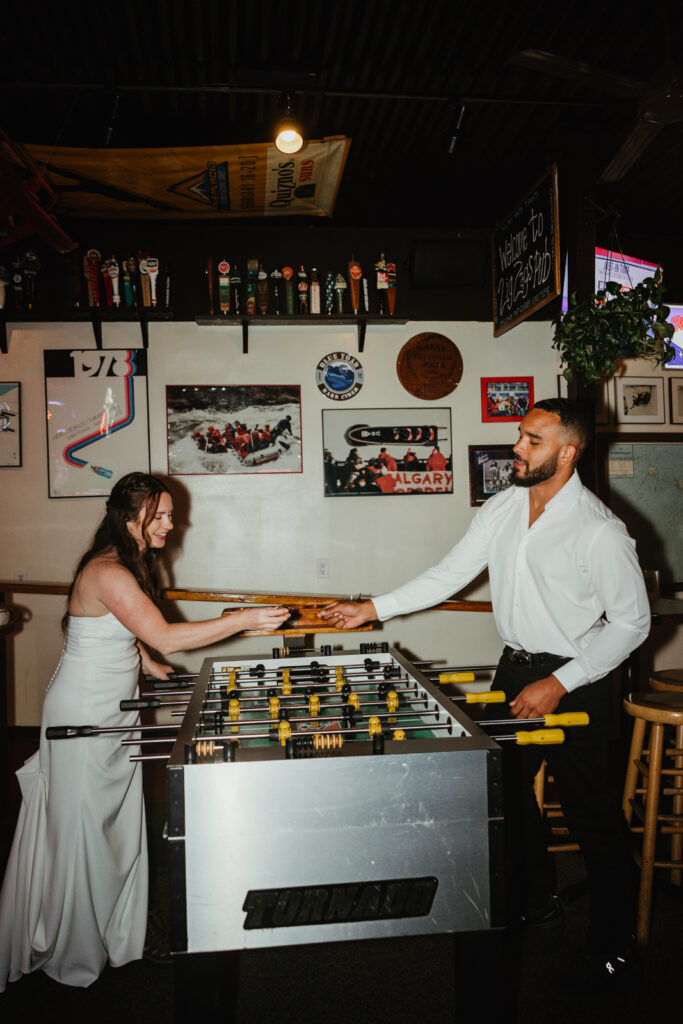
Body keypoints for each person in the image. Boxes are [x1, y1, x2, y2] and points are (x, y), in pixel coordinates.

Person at [320, 399, 650, 984]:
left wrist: (560, 682)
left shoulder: (599, 530)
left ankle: (613, 943)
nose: (517, 447)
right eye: (520, 435)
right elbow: (450, 573)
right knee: (502, 797)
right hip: (516, 671)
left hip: (577, 679)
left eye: (532, 440)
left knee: (591, 818)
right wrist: (373, 608)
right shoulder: (503, 506)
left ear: (567, 453)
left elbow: (632, 623)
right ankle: (536, 902)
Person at [0, 472, 289, 992]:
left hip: (112, 708)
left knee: (111, 825)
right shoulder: (108, 570)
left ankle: (112, 927)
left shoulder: (126, 561)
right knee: (85, 830)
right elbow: (165, 634)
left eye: (170, 516)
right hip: (83, 713)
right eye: (160, 516)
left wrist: (145, 660)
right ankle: (74, 943)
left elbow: (128, 629)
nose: (171, 525)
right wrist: (241, 621)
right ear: (129, 516)